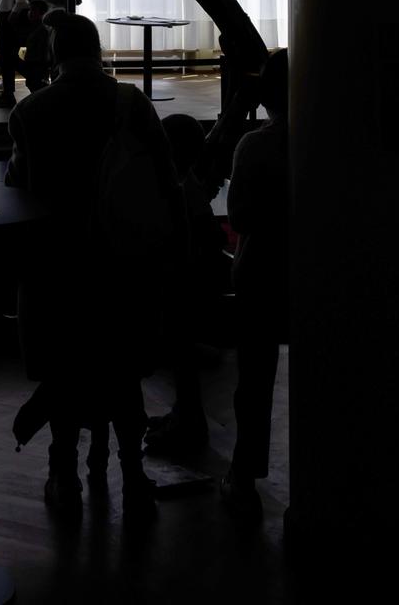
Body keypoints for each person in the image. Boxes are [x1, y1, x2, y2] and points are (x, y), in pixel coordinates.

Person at [6, 12, 172, 521]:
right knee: (121, 372)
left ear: (55, 54)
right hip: (122, 261)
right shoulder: (132, 104)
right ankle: (133, 473)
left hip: (58, 263)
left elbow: (19, 188)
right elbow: (162, 180)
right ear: (98, 49)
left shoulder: (32, 111)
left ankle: (64, 472)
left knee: (64, 367)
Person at [223, 47, 290, 519]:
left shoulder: (254, 146)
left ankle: (245, 471)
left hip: (261, 269)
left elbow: (240, 216)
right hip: (310, 269)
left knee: (254, 380)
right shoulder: (333, 143)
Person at [144, 112, 223, 458]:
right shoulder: (188, 183)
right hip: (192, 281)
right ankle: (186, 417)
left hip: (177, 280)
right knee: (182, 358)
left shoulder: (174, 186)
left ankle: (189, 422)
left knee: (181, 358)